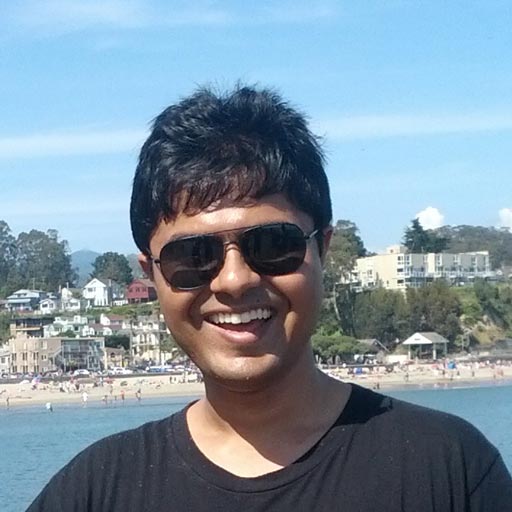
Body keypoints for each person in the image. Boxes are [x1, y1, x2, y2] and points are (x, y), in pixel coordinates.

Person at [27, 85, 512, 511]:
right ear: (150, 274)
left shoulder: (451, 470)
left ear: (322, 250)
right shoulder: (94, 492)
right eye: (193, 255)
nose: (234, 280)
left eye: (273, 245)